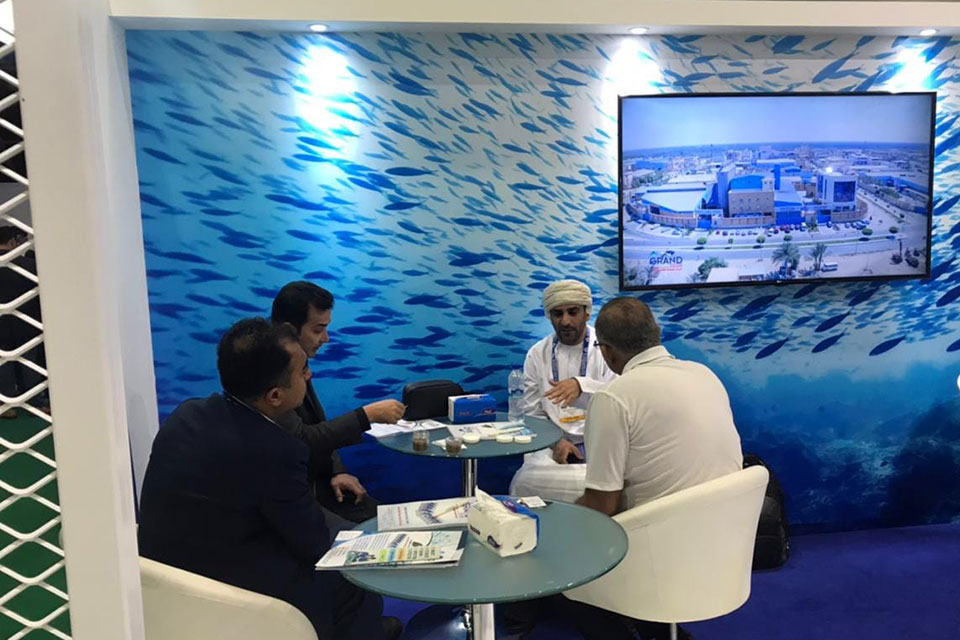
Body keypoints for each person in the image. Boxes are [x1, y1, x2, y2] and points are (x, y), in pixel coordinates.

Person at [137, 318, 401, 640]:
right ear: (275, 396)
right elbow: (314, 543)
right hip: (229, 589)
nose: (309, 375)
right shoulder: (275, 450)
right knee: (351, 581)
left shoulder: (187, 413)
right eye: (303, 371)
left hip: (159, 581)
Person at [564, 297, 743, 640]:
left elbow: (602, 506)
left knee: (563, 548)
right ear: (655, 332)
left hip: (660, 550)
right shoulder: (705, 375)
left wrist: (565, 517)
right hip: (724, 540)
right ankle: (659, 629)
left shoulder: (614, 398)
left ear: (607, 352)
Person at [271, 281, 404, 529]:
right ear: (289, 330)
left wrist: (336, 470)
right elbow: (300, 438)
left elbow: (316, 425)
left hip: (321, 485)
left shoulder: (296, 362)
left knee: (392, 521)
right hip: (292, 500)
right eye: (318, 329)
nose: (326, 338)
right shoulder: (271, 373)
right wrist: (366, 416)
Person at [508, 279, 616, 502]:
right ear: (549, 316)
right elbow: (532, 414)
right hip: (551, 443)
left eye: (573, 312)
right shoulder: (537, 354)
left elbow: (618, 398)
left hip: (599, 440)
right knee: (524, 481)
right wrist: (556, 443)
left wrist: (581, 386)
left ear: (587, 313)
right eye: (558, 314)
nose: (565, 321)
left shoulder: (607, 348)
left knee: (610, 476)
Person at [0, 226, 45, 418]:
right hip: (27, 323)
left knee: (3, 365)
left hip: (1, 324)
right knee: (29, 364)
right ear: (13, 242)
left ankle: (6, 404)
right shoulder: (30, 266)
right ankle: (35, 404)